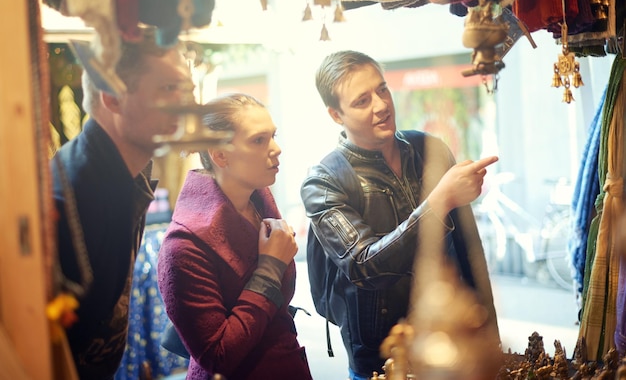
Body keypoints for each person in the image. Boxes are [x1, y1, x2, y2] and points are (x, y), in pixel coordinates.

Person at [300, 50, 500, 379]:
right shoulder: (323, 181)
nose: (381, 105)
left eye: (382, 89)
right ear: (336, 115)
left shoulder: (428, 149)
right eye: (362, 100)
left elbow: (468, 251)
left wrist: (487, 331)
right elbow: (364, 265)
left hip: (453, 335)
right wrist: (439, 201)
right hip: (384, 354)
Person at [51, 29, 191, 379]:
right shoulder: (75, 194)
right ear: (112, 97)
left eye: (184, 89)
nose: (183, 102)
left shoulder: (119, 174)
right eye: (167, 89)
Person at [157, 93, 313, 380]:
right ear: (220, 155)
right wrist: (269, 268)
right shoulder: (183, 246)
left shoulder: (261, 204)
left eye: (273, 136)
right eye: (259, 140)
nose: (276, 149)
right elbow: (218, 355)